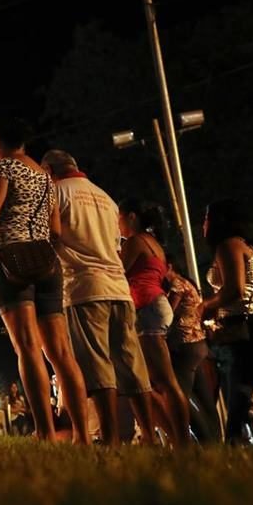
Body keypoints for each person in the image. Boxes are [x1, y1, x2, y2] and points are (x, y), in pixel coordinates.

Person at [0, 120, 89, 444]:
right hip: (47, 263)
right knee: (61, 352)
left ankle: (45, 433)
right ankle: (83, 437)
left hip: (11, 262)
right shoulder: (45, 176)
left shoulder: (3, 168)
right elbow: (57, 231)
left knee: (28, 347)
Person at [40, 149, 156, 446]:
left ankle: (111, 438)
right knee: (132, 366)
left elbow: (50, 236)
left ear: (49, 170)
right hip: (119, 288)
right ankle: (151, 434)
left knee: (98, 366)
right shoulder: (106, 198)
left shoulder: (54, 192)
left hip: (84, 288)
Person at [198, 198, 253, 444]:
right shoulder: (249, 247)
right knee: (246, 385)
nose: (203, 225)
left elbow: (234, 290)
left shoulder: (228, 246)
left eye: (206, 218)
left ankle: (233, 440)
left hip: (247, 324)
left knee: (250, 385)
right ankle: (232, 440)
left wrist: (206, 306)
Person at [118, 197, 191, 446]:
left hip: (148, 309)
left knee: (165, 381)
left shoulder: (135, 241)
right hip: (155, 307)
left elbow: (118, 271)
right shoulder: (154, 244)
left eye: (119, 217)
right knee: (149, 382)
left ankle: (182, 442)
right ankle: (172, 439)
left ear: (131, 217)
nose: (117, 224)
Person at [164, 254, 221, 443]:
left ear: (170, 266)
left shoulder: (177, 285)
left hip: (185, 345)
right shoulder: (189, 284)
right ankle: (216, 440)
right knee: (205, 399)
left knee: (181, 396)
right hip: (199, 344)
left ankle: (205, 440)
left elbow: (167, 314)